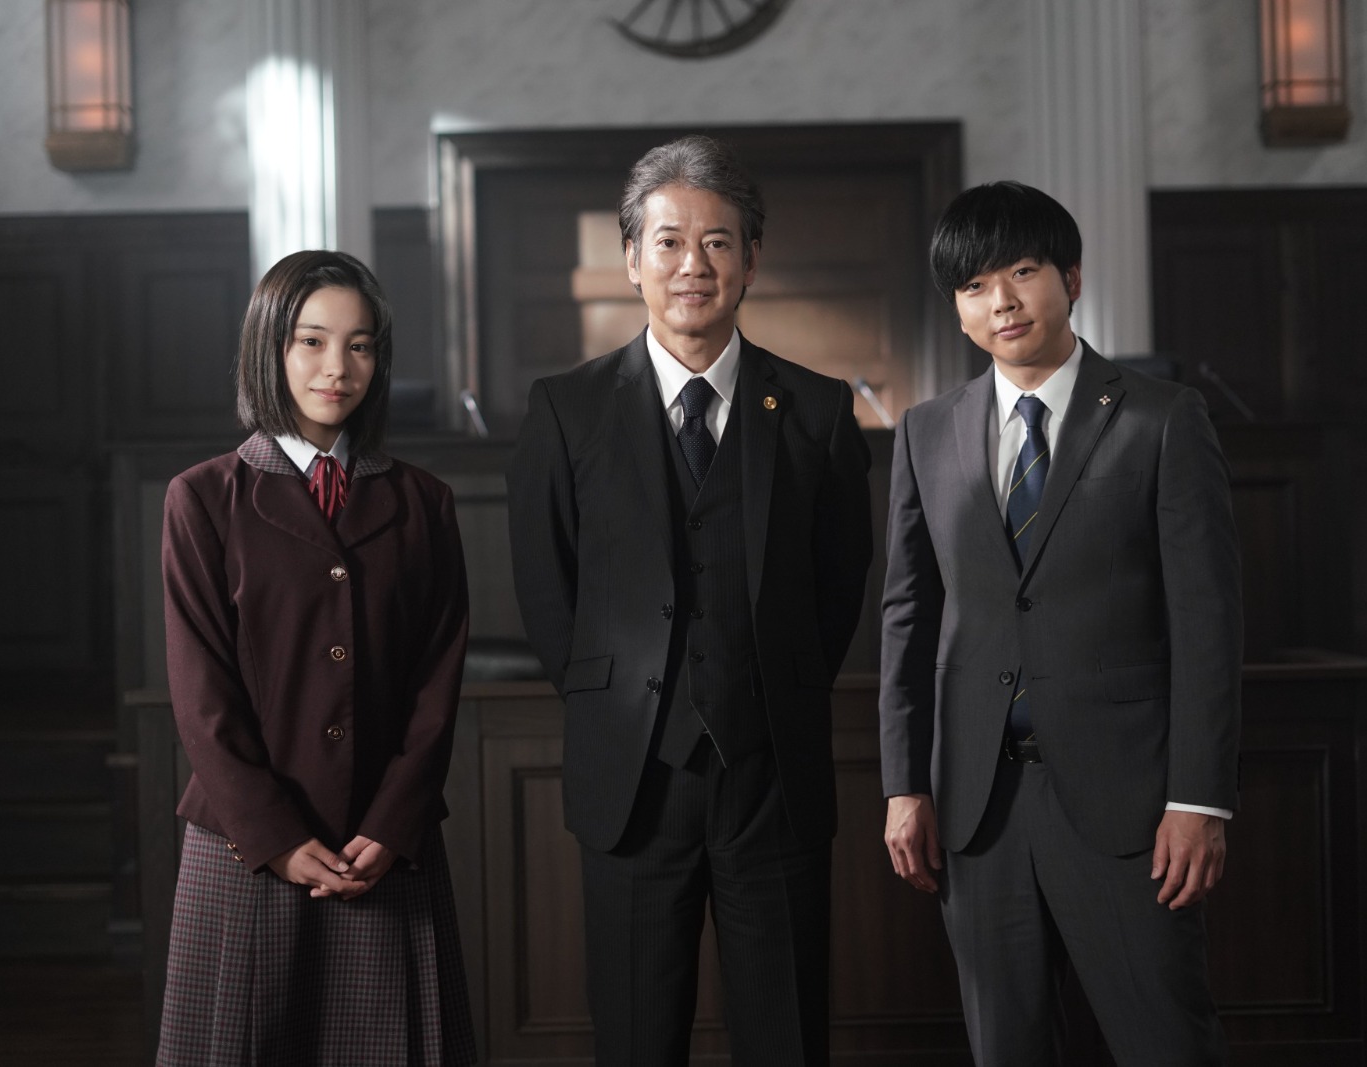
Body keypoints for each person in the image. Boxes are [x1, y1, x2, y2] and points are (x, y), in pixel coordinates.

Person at [507, 135, 873, 1066]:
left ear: (752, 259)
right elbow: (550, 594)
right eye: (669, 242)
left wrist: (769, 686)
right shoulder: (566, 410)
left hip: (773, 778)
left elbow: (840, 588)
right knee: (636, 1040)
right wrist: (621, 701)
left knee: (787, 1039)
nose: (692, 265)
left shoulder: (819, 411)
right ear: (632, 258)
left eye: (717, 242)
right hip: (633, 782)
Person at [879, 181, 1242, 1065]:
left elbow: (1207, 623)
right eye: (974, 286)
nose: (1000, 301)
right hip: (979, 812)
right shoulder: (926, 431)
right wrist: (904, 784)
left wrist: (1198, 798)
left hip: (1131, 809)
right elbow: (908, 618)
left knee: (1167, 1045)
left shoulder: (1162, 418)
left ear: (1070, 278)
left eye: (1021, 272)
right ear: (957, 308)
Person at [157, 250, 476, 1066]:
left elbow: (437, 683)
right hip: (248, 848)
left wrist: (393, 822)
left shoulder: (424, 503)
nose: (338, 367)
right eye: (312, 341)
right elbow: (202, 697)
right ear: (270, 348)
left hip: (381, 846)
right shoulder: (204, 499)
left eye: (360, 345)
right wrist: (273, 835)